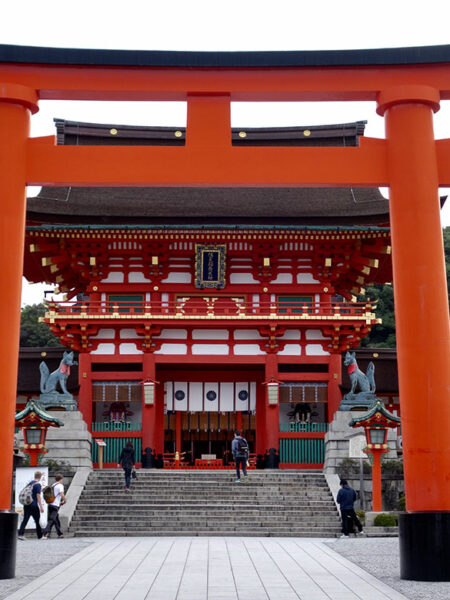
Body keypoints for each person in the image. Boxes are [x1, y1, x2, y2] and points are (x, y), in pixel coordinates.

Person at [18, 471, 44, 540]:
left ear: (35, 476)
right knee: (37, 520)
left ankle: (20, 534)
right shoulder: (38, 485)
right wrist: (41, 507)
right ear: (40, 477)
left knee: (25, 520)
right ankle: (40, 536)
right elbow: (38, 496)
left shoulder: (30, 483)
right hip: (34, 505)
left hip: (27, 504)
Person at [42, 474, 66, 539]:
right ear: (61, 479)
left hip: (50, 504)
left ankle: (59, 534)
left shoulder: (53, 485)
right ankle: (45, 532)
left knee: (56, 520)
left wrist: (59, 502)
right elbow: (61, 494)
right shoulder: (60, 486)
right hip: (55, 505)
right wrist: (64, 500)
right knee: (51, 520)